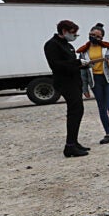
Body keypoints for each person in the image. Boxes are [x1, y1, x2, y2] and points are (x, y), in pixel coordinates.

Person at [44, 20, 92, 157]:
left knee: (78, 111)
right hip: (65, 83)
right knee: (74, 112)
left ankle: (74, 142)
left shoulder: (67, 45)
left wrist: (83, 65)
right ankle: (69, 146)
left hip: (74, 82)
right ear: (64, 31)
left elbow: (71, 64)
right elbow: (57, 65)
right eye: (73, 33)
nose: (75, 36)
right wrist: (77, 62)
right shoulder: (52, 45)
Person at [78, 23, 109, 144]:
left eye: (96, 36)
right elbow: (83, 71)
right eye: (91, 34)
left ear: (101, 38)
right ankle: (108, 134)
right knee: (102, 108)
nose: (93, 37)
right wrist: (84, 87)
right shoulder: (84, 52)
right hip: (95, 81)